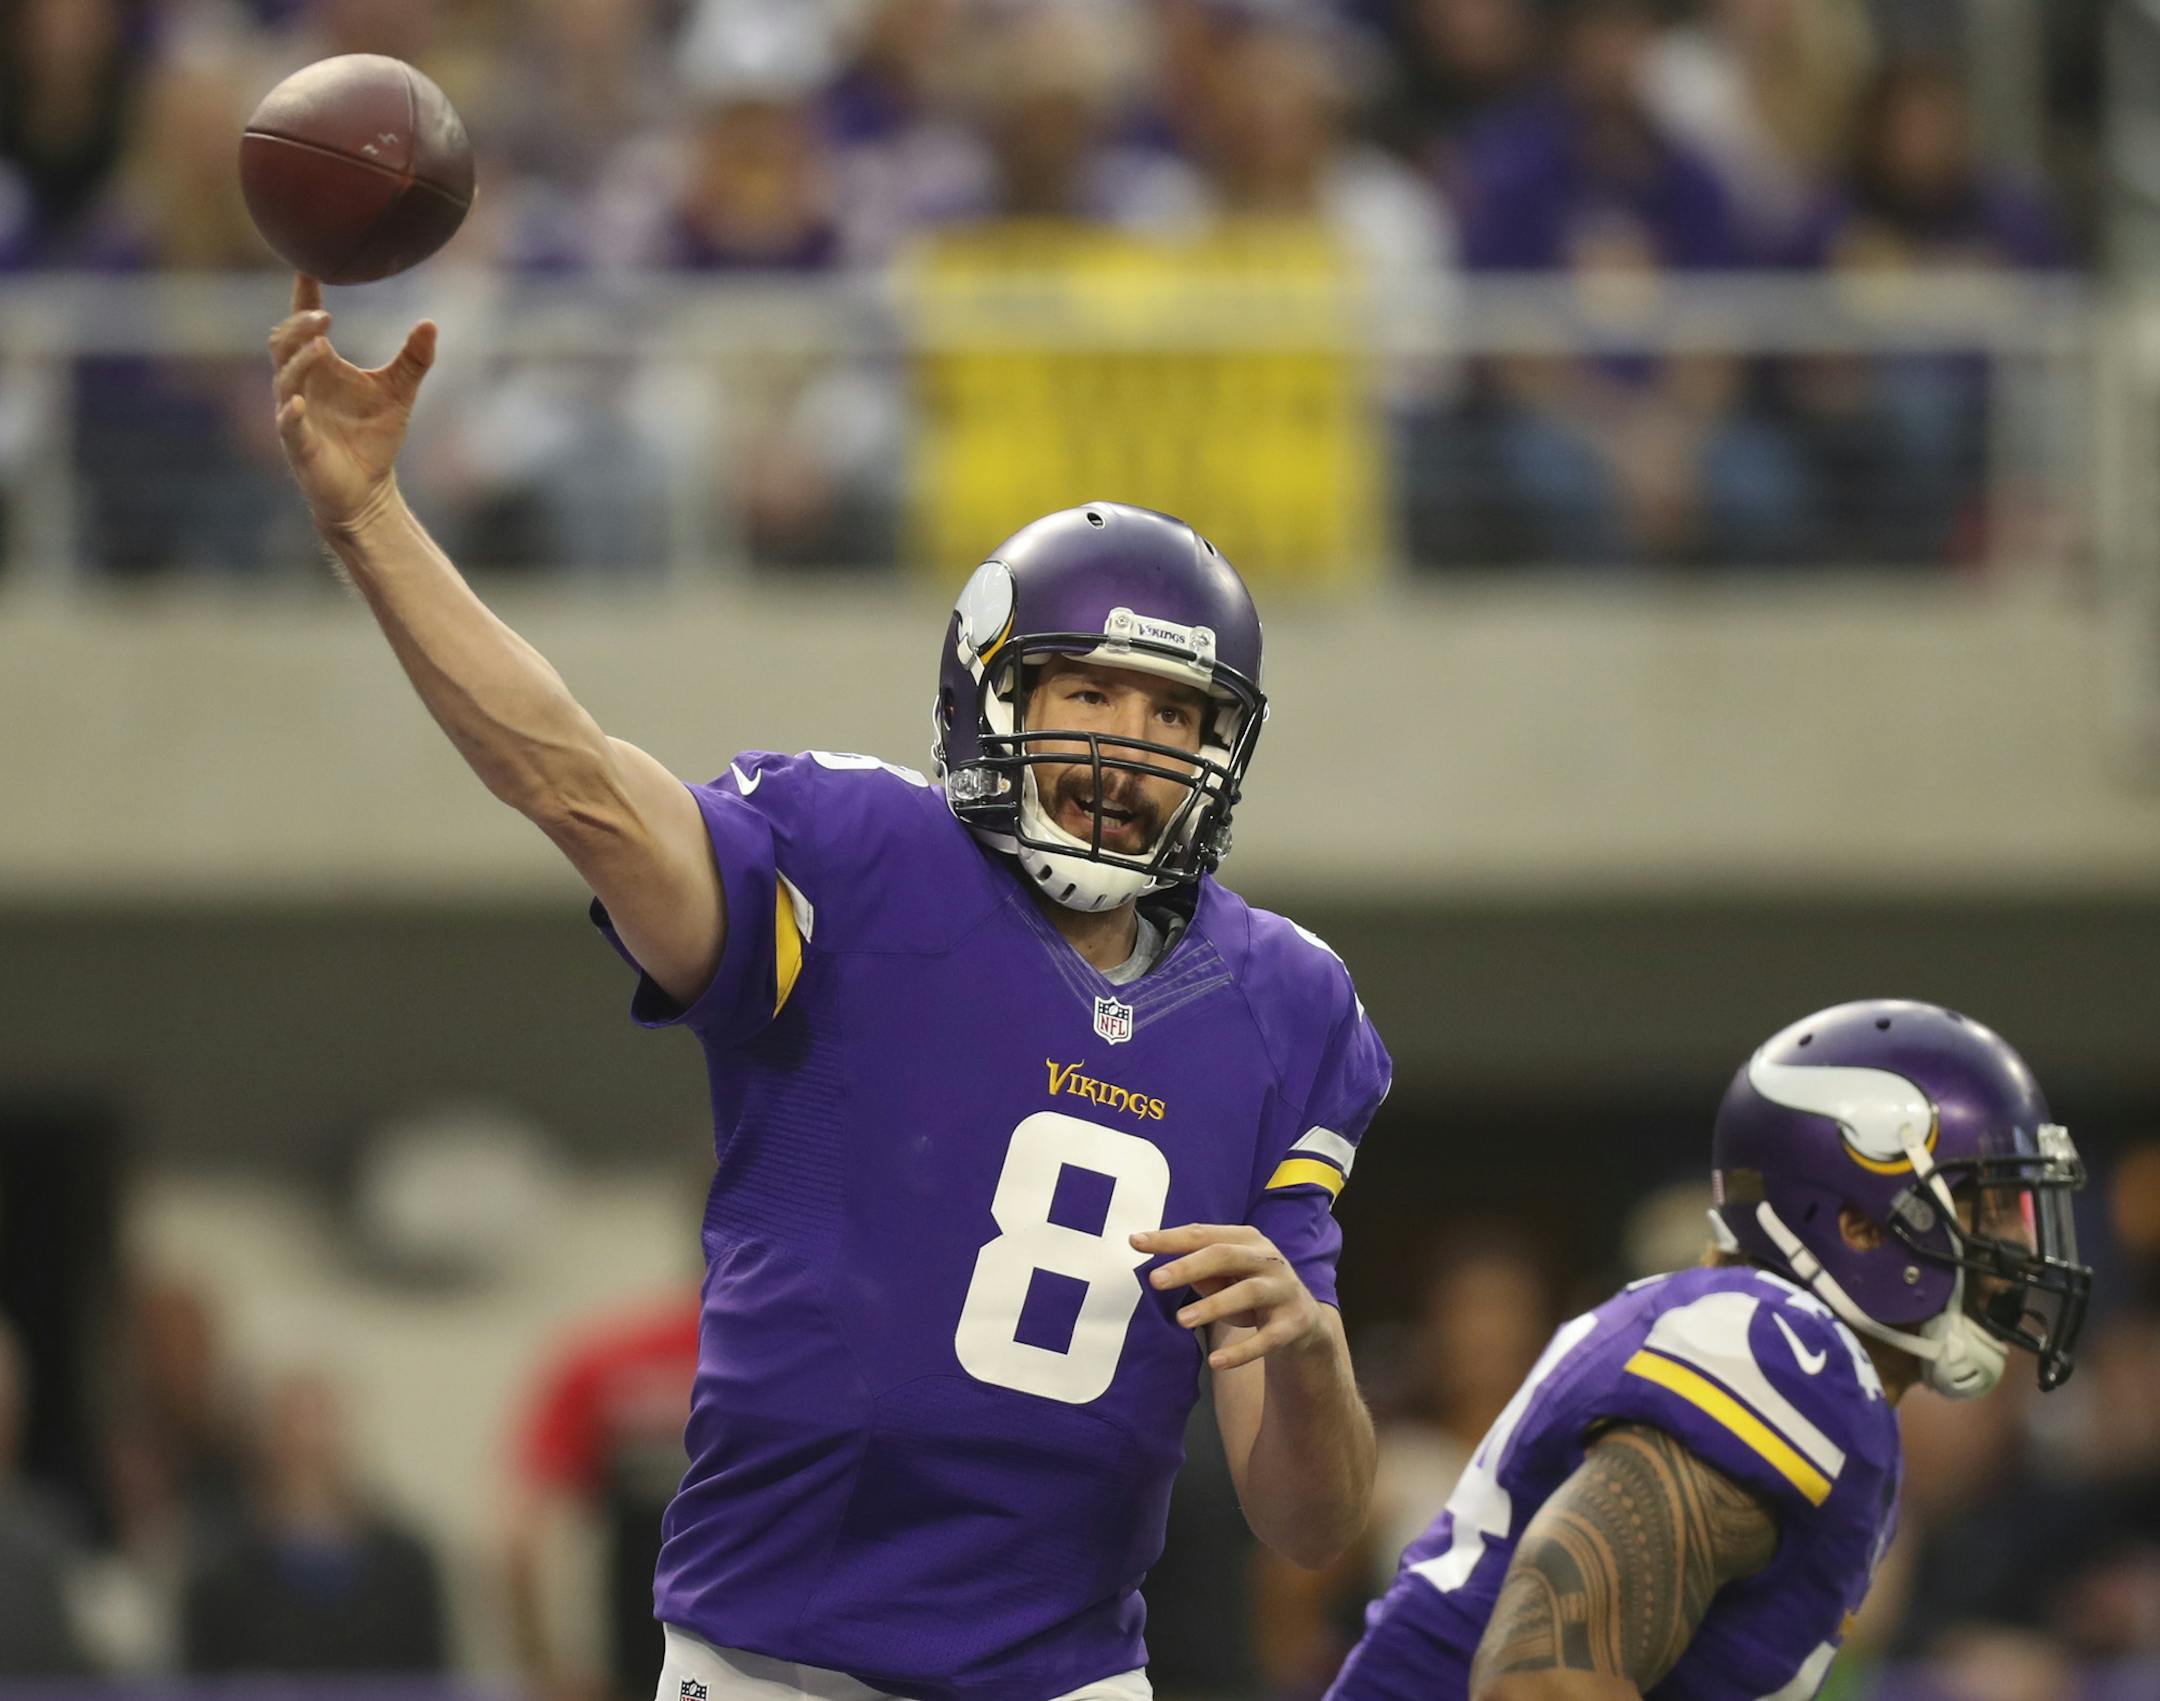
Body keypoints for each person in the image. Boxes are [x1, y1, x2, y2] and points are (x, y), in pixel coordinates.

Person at [264, 274, 1388, 1701]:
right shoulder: (860, 859)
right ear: (994, 697)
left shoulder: (1289, 1004)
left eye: (1179, 714)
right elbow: (575, 782)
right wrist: (370, 519)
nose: (1134, 745)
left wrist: (1309, 1356)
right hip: (778, 1665)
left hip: (1069, 1676)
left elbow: (1306, 1517)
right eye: (1090, 693)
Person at [1325, 998, 2091, 1701]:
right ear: (1861, 1224)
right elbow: (1543, 1684)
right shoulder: (1788, 1357)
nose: (2018, 1243)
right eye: (1989, 1206)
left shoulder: (1769, 1344)